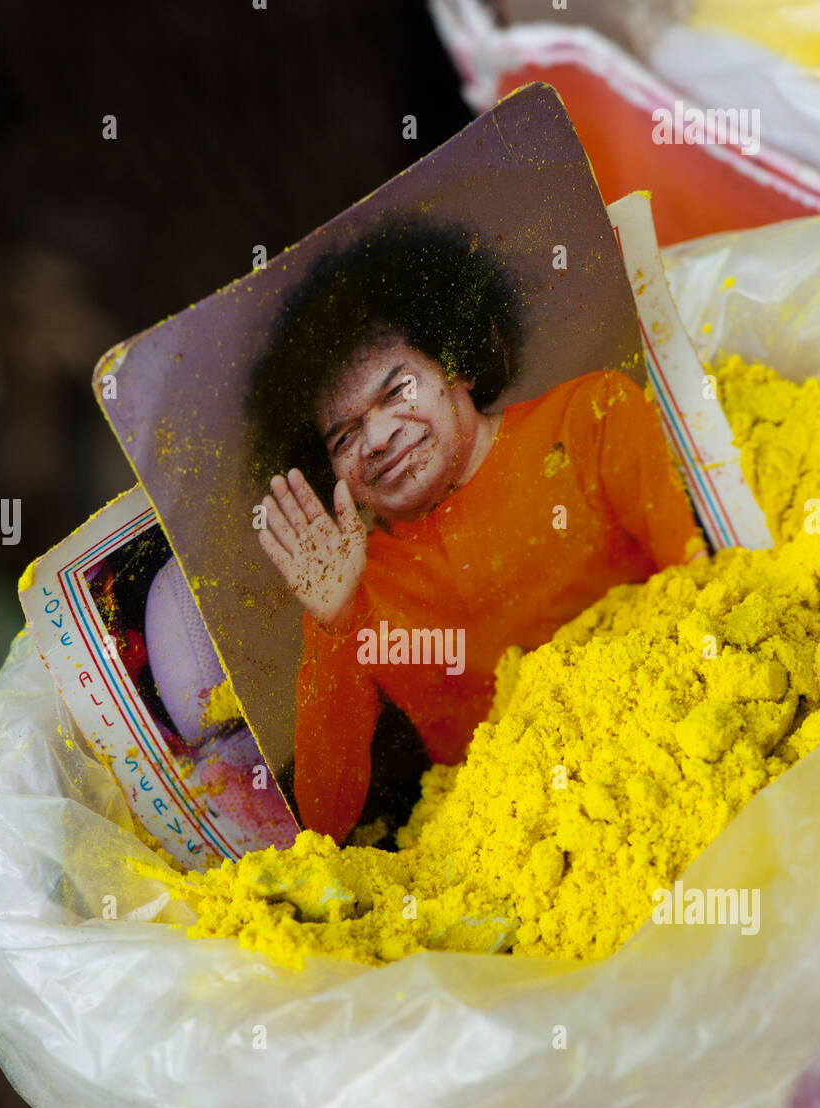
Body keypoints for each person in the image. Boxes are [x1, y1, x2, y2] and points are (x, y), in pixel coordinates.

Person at [247, 220, 706, 845]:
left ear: (457, 361)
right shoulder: (350, 585)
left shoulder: (592, 417)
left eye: (397, 391)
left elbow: (708, 583)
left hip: (680, 764)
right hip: (521, 863)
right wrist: (334, 625)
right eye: (346, 437)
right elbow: (326, 817)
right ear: (330, 473)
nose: (379, 438)